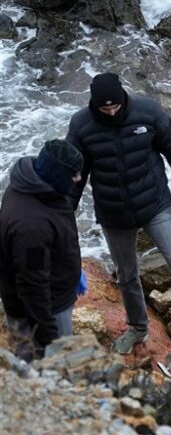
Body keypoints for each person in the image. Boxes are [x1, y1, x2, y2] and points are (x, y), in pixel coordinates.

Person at [66, 72, 171, 377]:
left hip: (155, 204)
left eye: (116, 106)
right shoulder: (81, 126)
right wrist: (64, 215)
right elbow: (75, 176)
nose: (112, 112)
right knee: (127, 275)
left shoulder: (148, 111)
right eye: (105, 109)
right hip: (113, 214)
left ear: (123, 98)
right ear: (94, 104)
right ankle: (137, 327)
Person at [0, 140, 84, 361]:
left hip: (51, 295)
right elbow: (32, 288)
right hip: (43, 311)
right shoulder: (31, 226)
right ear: (57, 174)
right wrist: (50, 338)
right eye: (73, 174)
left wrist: (75, 271)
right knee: (45, 367)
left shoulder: (40, 187)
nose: (79, 179)